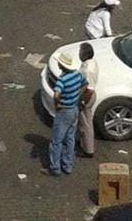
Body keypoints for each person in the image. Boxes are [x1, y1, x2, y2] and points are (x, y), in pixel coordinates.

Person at [46, 49, 89, 177]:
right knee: (70, 138)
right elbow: (85, 85)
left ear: (62, 66)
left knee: (56, 141)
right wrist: (77, 97)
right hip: (74, 109)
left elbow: (56, 94)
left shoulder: (62, 80)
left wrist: (57, 105)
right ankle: (67, 165)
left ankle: (55, 168)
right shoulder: (78, 74)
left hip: (64, 111)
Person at [77, 43, 98, 158]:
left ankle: (88, 150)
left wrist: (82, 101)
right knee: (83, 122)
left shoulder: (88, 70)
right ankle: (83, 143)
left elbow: (89, 90)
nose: (79, 54)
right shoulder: (91, 62)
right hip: (87, 95)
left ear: (85, 54)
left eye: (80, 52)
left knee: (86, 124)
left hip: (86, 97)